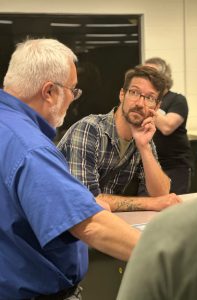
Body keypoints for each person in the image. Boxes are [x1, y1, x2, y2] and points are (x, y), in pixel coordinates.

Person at [0, 38, 140, 299]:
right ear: (50, 91)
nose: (74, 100)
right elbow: (91, 226)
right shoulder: (31, 149)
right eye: (73, 90)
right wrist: (173, 256)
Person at [58, 65, 181, 212]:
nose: (140, 104)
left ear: (156, 107)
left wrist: (144, 147)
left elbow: (161, 194)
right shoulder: (89, 130)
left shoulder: (143, 138)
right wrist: (149, 203)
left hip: (102, 221)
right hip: (63, 223)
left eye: (149, 98)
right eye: (134, 92)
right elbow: (87, 199)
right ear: (122, 95)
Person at [117, 185, 197, 300]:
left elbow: (161, 191)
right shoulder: (167, 231)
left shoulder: (167, 231)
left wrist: (153, 247)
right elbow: (99, 204)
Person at [145, 57, 193, 194]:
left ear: (163, 77)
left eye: (151, 74)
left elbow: (167, 127)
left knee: (173, 206)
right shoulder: (146, 101)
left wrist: (147, 106)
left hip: (175, 166)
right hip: (150, 165)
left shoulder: (177, 100)